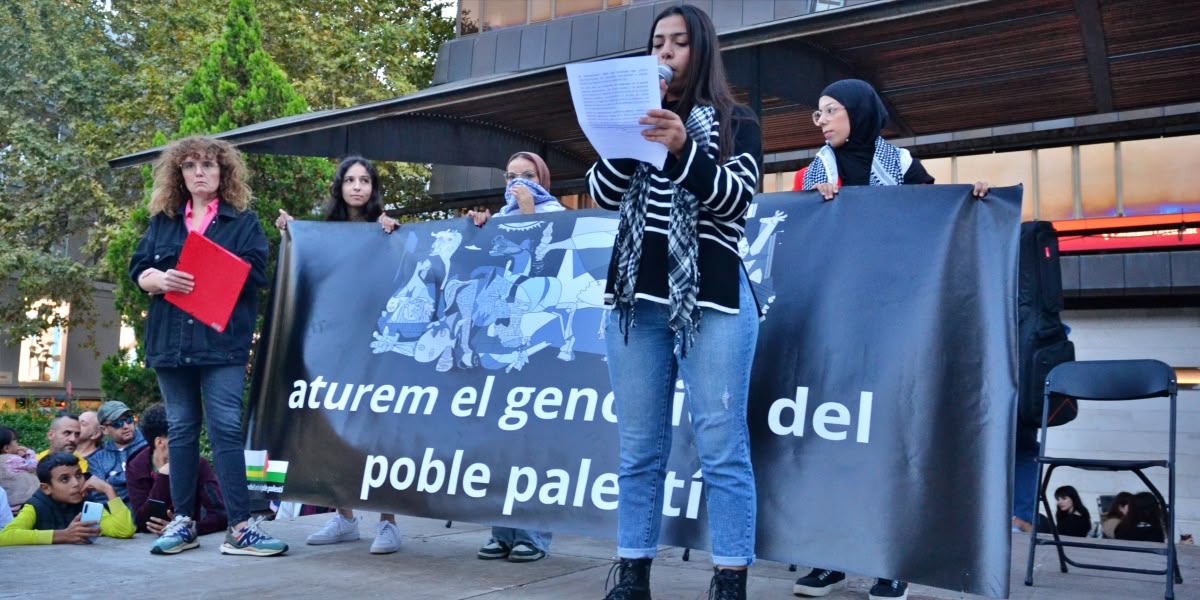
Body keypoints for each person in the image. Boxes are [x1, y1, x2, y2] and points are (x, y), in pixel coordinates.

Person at [586, 6, 762, 599]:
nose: (665, 52)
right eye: (657, 42)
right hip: (635, 298)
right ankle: (632, 572)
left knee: (721, 443)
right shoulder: (633, 122)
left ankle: (729, 577)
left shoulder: (739, 122)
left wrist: (684, 146)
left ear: (701, 50)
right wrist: (624, 141)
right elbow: (604, 193)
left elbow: (735, 202)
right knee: (638, 447)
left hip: (711, 299)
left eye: (678, 43)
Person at [790, 79, 988, 600]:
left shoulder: (900, 166)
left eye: (831, 111)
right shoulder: (813, 171)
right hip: (833, 325)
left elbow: (937, 214)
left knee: (883, 443)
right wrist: (813, 202)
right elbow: (792, 231)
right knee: (829, 441)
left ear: (858, 113)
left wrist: (973, 199)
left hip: (892, 323)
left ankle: (888, 563)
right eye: (818, 112)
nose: (823, 120)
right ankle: (828, 557)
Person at [129, 135, 286, 557]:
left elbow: (258, 273)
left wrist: (210, 263)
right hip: (171, 343)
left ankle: (240, 526)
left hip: (221, 343)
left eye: (209, 165)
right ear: (179, 174)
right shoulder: (163, 221)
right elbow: (137, 268)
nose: (200, 172)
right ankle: (184, 523)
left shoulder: (243, 222)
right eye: (191, 166)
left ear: (224, 173)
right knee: (180, 430)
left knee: (225, 429)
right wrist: (157, 279)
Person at [277, 156, 402, 555]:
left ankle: (389, 522)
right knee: (333, 428)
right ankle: (344, 517)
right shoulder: (324, 231)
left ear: (373, 186)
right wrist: (293, 232)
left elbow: (404, 272)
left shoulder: (387, 227)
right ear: (339, 186)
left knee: (378, 432)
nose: (357, 187)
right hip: (332, 344)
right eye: (350, 179)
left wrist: (395, 235)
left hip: (376, 347)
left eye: (365, 179)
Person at [467, 150, 565, 563]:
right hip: (499, 340)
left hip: (538, 340)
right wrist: (481, 230)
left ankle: (533, 535)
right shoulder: (498, 219)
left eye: (527, 175)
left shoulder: (559, 213)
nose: (518, 183)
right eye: (510, 176)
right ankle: (501, 531)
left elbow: (549, 266)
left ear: (542, 177)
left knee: (533, 441)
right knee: (500, 443)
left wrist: (529, 214)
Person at [126, 403, 228, 538]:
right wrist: (163, 477)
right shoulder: (137, 467)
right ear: (160, 442)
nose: (186, 443)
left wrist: (187, 527)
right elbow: (141, 521)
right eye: (179, 438)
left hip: (187, 543)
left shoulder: (197, 464)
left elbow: (221, 515)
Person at [0, 452, 135, 546]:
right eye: (65, 479)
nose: (76, 483)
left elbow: (124, 530)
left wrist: (108, 490)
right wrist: (62, 535)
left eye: (78, 475)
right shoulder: (36, 506)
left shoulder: (87, 504)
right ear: (46, 488)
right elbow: (5, 536)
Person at [467, 151, 565, 226]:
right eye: (512, 177)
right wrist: (485, 226)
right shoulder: (502, 215)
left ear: (542, 178)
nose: (518, 181)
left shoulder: (557, 214)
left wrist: (528, 212)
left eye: (528, 175)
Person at [87, 400, 148, 503]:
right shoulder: (97, 460)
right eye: (117, 423)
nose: (125, 426)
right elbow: (99, 497)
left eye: (128, 419)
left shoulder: (148, 445)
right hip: (118, 516)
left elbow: (152, 483)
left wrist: (111, 482)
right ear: (104, 429)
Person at [0, 426, 40, 511]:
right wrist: (29, 453)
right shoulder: (12, 459)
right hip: (23, 503)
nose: (18, 444)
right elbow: (33, 466)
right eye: (16, 442)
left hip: (9, 504)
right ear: (6, 448)